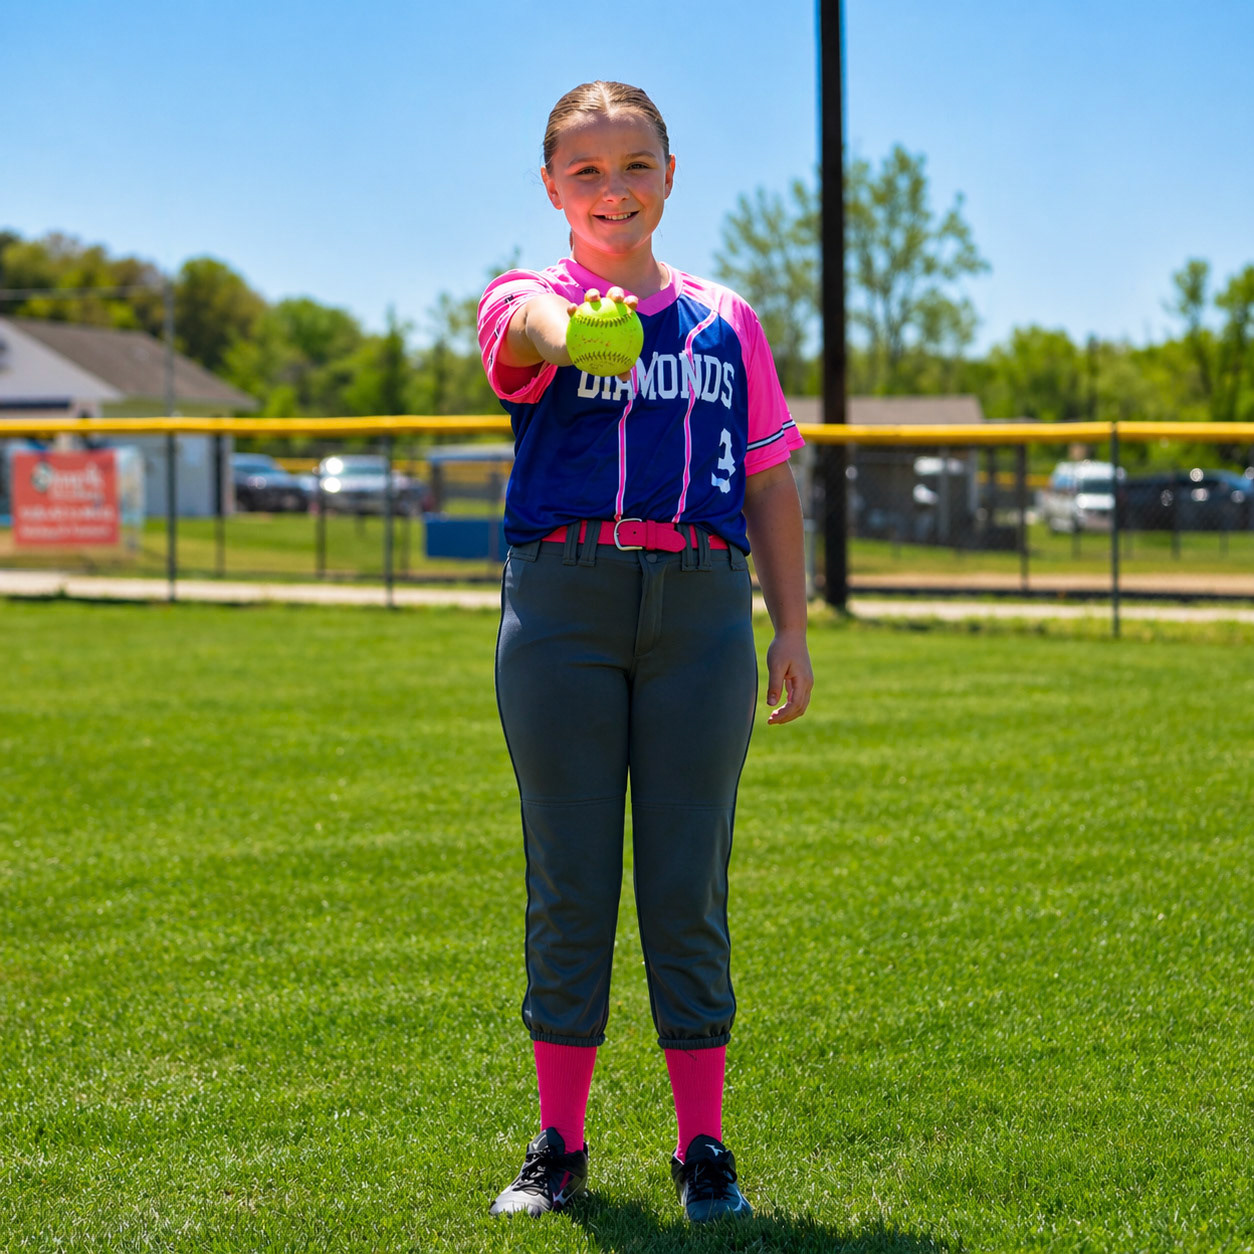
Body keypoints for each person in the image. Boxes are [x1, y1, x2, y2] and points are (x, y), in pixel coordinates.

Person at [476, 80, 813, 1225]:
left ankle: (701, 1147)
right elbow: (521, 332)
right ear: (551, 187)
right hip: (561, 602)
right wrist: (577, 330)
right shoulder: (526, 296)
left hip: (703, 607)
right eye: (586, 170)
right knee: (570, 877)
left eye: (634, 165)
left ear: (670, 175)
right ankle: (559, 1144)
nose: (612, 189)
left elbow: (769, 480)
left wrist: (792, 625)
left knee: (686, 883)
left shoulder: (726, 319)